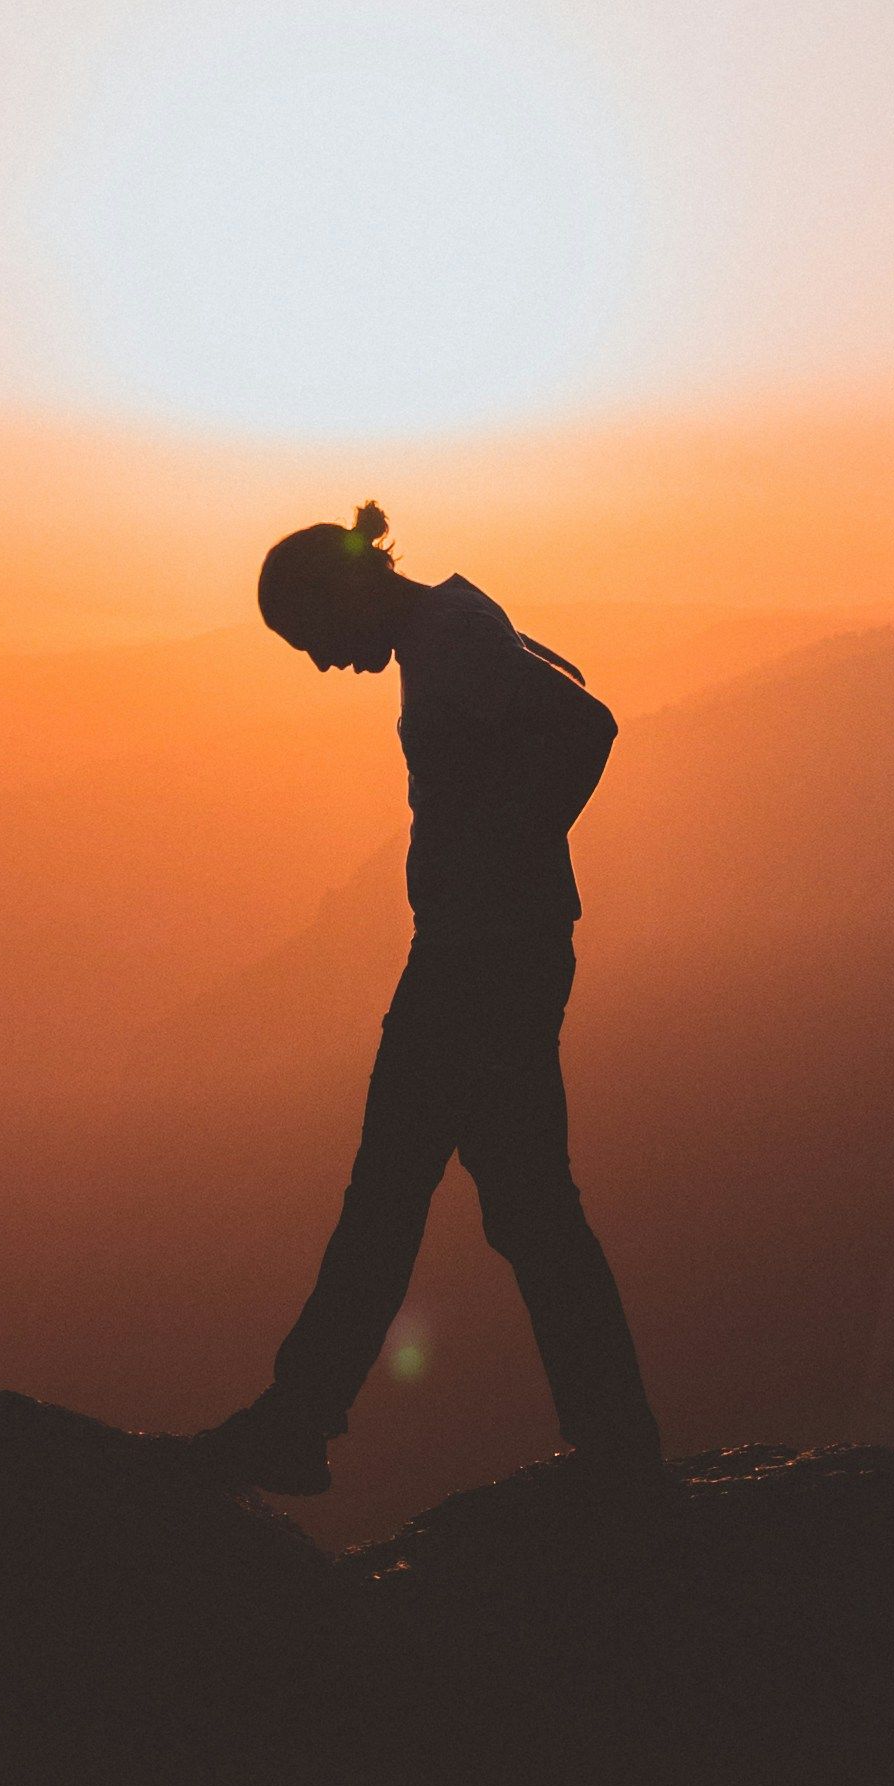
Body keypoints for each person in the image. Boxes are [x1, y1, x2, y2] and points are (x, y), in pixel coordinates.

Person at [185, 502, 664, 1498]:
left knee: (393, 1195)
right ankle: (616, 1442)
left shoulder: (448, 639)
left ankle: (298, 1422)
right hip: (495, 948)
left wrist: (501, 863)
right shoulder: (448, 626)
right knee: (525, 1208)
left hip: (477, 962)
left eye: (315, 639)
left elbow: (588, 725)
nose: (322, 664)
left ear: (344, 594)